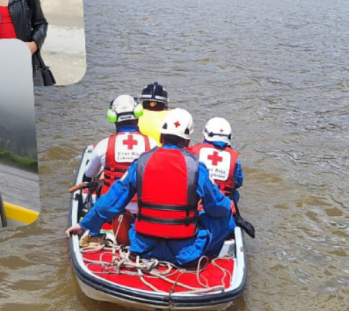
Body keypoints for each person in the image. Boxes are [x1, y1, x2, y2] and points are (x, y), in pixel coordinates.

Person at [66, 109, 235, 266]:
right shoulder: (198, 167)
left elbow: (113, 199)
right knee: (226, 217)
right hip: (184, 252)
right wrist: (228, 206)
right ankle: (211, 256)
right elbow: (217, 208)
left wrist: (85, 225)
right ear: (188, 140)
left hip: (143, 247)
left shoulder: (141, 162)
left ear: (161, 137)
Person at [71, 95, 158, 209]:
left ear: (113, 118)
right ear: (137, 115)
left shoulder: (103, 145)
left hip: (112, 206)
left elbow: (89, 174)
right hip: (142, 206)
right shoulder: (152, 144)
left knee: (100, 178)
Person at [189, 117, 243, 211]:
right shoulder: (234, 158)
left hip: (198, 202)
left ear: (206, 134)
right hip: (223, 204)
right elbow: (238, 182)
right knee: (235, 193)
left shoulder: (193, 151)